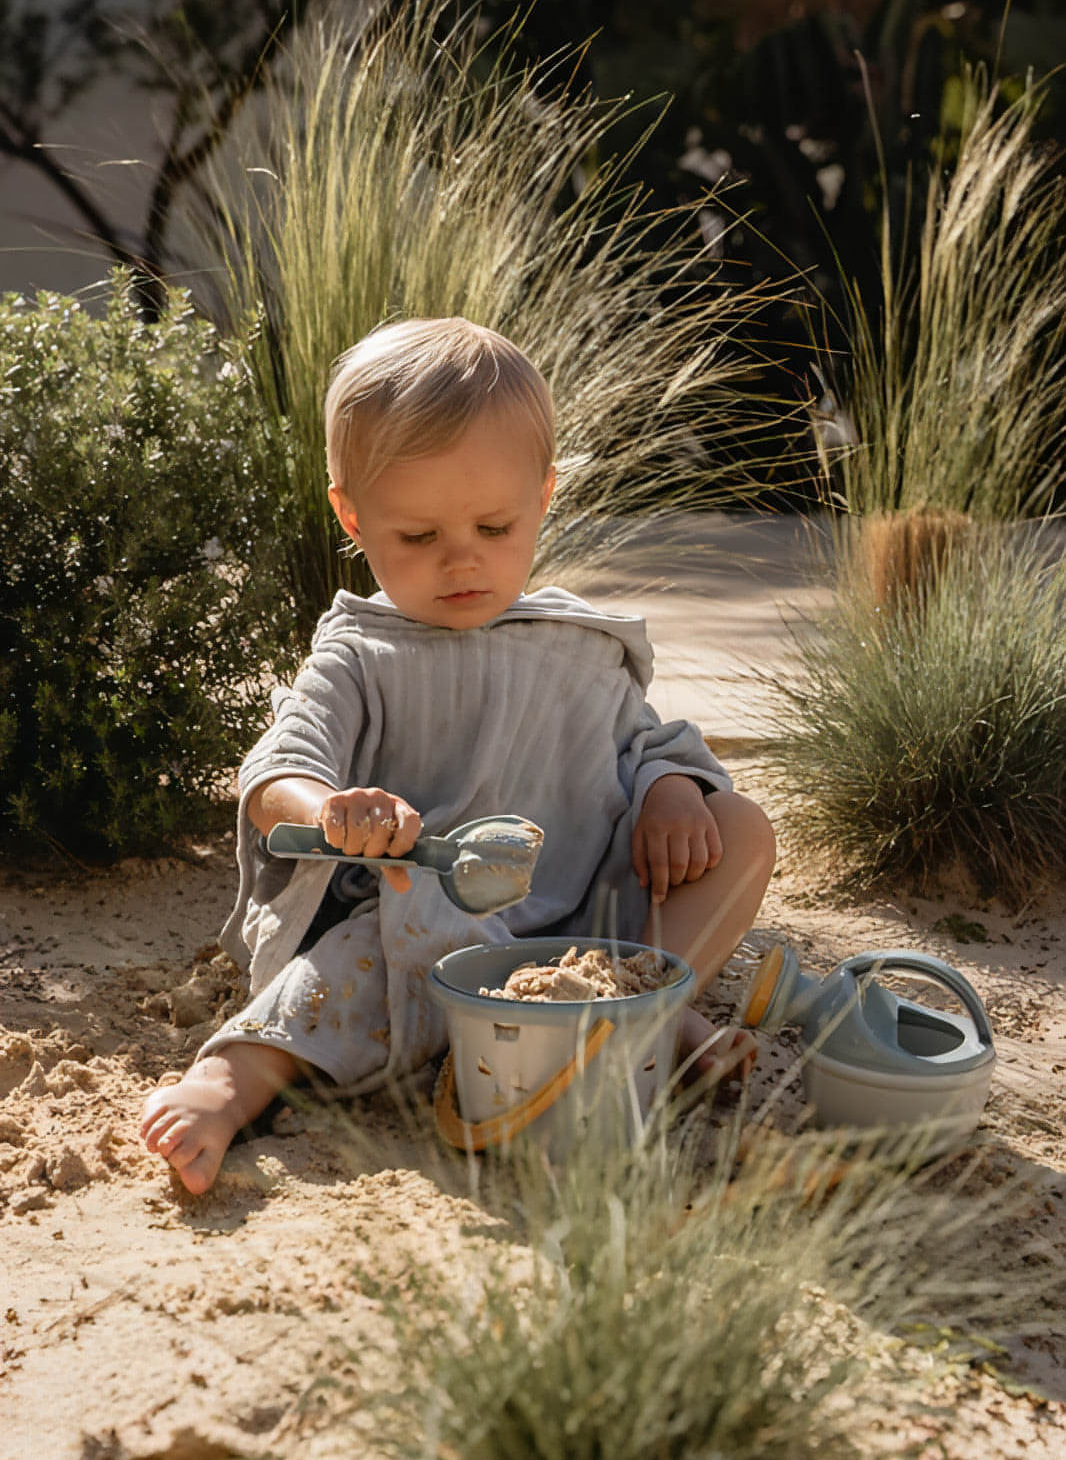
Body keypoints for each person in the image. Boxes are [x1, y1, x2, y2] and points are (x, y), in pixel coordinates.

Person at [141, 317, 776, 1194]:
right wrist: (325, 809)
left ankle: (643, 1005)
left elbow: (649, 742)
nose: (461, 560)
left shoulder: (572, 642)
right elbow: (276, 767)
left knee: (736, 827)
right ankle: (231, 1083)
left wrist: (670, 786)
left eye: (493, 524)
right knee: (335, 978)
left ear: (544, 495)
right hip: (421, 932)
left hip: (577, 933)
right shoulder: (362, 653)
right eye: (417, 537)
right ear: (352, 515)